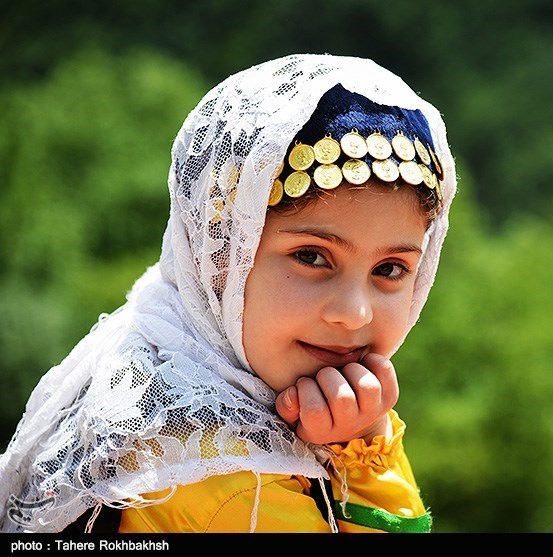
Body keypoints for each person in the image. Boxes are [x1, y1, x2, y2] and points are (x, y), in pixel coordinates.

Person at [0, 53, 457, 533]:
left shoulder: (155, 349)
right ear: (219, 258)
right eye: (311, 256)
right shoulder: (227, 483)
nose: (354, 312)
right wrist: (368, 454)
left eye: (390, 268)